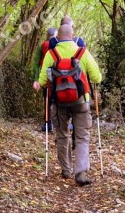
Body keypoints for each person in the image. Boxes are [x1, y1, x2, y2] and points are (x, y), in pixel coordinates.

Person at [33, 24, 102, 185]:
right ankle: (81, 172)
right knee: (82, 136)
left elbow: (43, 80)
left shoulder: (51, 54)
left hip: (59, 102)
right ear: (73, 35)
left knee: (62, 135)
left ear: (58, 38)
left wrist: (38, 84)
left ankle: (66, 170)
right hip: (80, 102)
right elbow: (97, 77)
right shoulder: (82, 53)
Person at [32, 27, 57, 132]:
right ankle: (60, 124)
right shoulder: (59, 45)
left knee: (47, 101)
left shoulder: (42, 46)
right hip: (59, 77)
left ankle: (48, 123)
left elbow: (36, 63)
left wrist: (36, 79)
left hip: (46, 78)